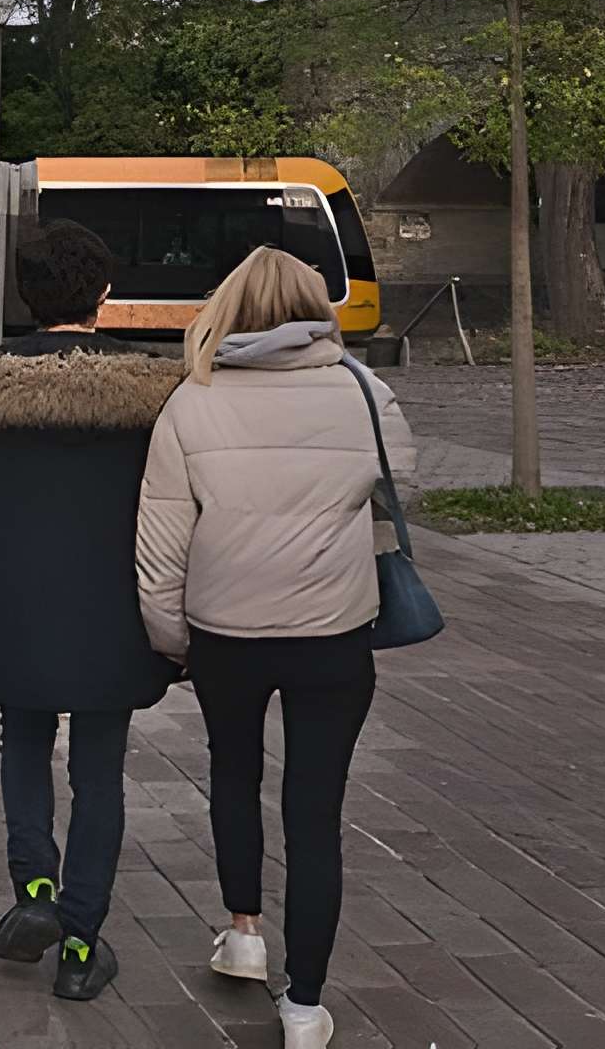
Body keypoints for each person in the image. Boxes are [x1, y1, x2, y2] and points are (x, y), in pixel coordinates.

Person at [0, 218, 181, 1002]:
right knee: (101, 773)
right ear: (105, 295)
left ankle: (35, 893)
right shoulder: (159, 393)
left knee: (21, 744)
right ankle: (83, 946)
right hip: (114, 615)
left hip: (14, 607)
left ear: (24, 293)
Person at [136, 245, 413, 1049]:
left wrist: (171, 639)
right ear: (314, 306)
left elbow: (161, 547)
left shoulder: (193, 400)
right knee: (316, 812)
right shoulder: (365, 392)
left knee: (233, 773)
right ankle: (304, 1006)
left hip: (226, 632)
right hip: (334, 633)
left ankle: (244, 931)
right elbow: (405, 478)